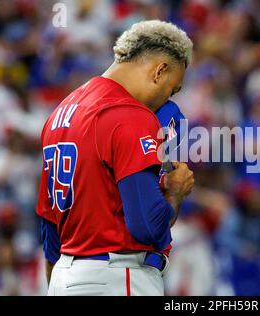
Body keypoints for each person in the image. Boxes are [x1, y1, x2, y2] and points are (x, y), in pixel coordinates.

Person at [35, 20, 194, 296]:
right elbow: (147, 226)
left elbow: (50, 234)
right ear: (160, 70)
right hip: (118, 278)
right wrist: (175, 193)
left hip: (64, 277)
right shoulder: (129, 113)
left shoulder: (61, 111)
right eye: (173, 88)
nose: (168, 98)